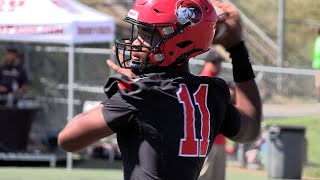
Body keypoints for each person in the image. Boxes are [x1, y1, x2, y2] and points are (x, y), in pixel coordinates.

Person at [58, 0, 262, 180]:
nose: (136, 42)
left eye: (146, 34)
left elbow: (68, 139)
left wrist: (126, 86)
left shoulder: (142, 93)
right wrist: (237, 49)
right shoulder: (211, 93)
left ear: (179, 41)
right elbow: (250, 128)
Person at [194, 50, 227, 180]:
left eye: (219, 63)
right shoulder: (203, 81)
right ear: (206, 63)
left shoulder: (217, 82)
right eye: (215, 62)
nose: (218, 66)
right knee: (204, 176)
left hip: (219, 138)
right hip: (207, 139)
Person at [313, 28, 320, 102]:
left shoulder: (317, 40)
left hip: (317, 64)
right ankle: (318, 98)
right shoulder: (318, 41)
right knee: (318, 82)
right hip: (318, 65)